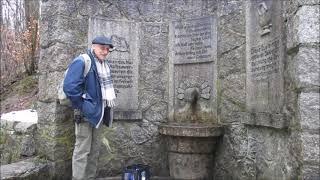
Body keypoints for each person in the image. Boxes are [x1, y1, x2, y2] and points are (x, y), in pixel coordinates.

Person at [63, 35, 116, 180]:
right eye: (102, 48)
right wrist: (84, 106)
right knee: (82, 151)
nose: (105, 52)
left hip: (98, 115)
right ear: (93, 46)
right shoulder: (82, 61)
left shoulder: (103, 65)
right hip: (85, 115)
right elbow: (70, 87)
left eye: (107, 49)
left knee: (94, 151)